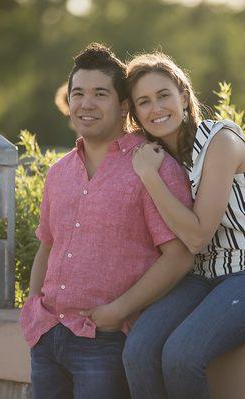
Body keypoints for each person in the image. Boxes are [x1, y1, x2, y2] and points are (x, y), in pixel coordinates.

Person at [18, 44, 194, 399]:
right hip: (48, 335)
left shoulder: (153, 167)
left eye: (100, 94)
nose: (86, 103)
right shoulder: (58, 172)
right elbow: (47, 245)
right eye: (78, 94)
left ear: (123, 106)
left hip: (107, 341)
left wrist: (118, 311)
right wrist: (33, 305)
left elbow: (179, 256)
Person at [122, 52, 245, 399]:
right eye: (143, 102)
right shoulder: (155, 154)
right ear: (135, 114)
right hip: (203, 278)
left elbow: (199, 234)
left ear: (184, 97)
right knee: (138, 352)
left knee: (181, 356)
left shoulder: (221, 141)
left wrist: (148, 176)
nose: (156, 107)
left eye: (163, 95)